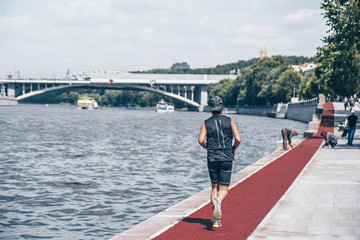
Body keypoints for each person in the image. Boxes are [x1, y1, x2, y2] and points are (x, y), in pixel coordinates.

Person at [198, 96, 241, 228]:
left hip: (212, 158)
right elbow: (238, 139)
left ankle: (216, 220)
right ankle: (219, 201)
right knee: (224, 189)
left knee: (214, 187)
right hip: (227, 157)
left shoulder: (206, 123)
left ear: (210, 109)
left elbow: (200, 140)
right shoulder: (230, 120)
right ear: (222, 107)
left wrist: (206, 147)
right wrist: (233, 149)